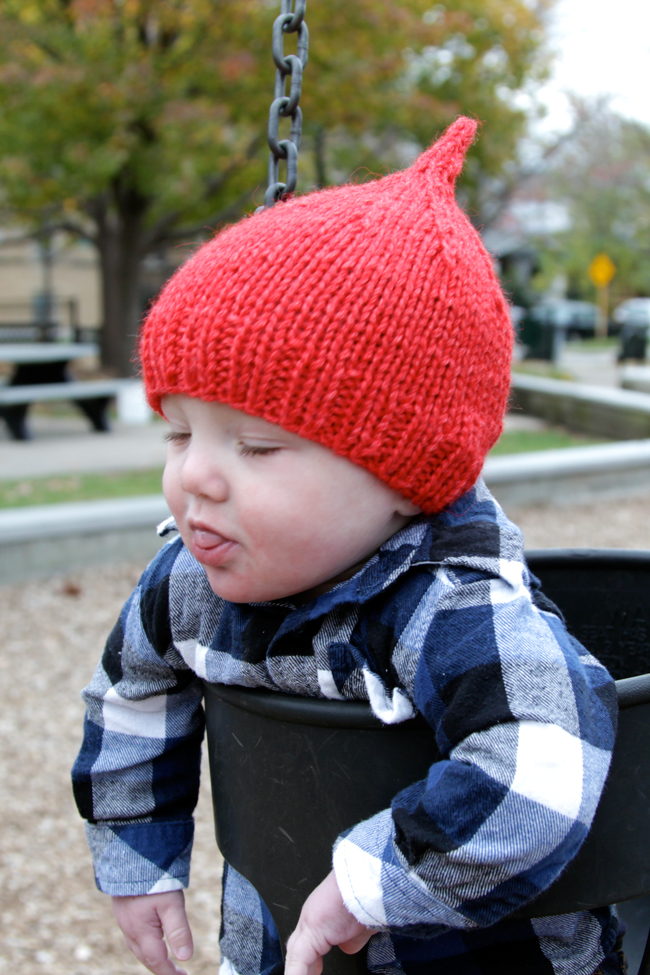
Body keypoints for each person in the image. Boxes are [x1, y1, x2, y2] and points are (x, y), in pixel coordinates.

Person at [72, 117, 621, 975]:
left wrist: (373, 881)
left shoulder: (455, 603)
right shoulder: (188, 584)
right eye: (180, 434)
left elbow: (543, 767)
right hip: (277, 945)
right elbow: (130, 692)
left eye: (255, 446)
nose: (197, 480)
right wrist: (138, 859)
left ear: (405, 477)